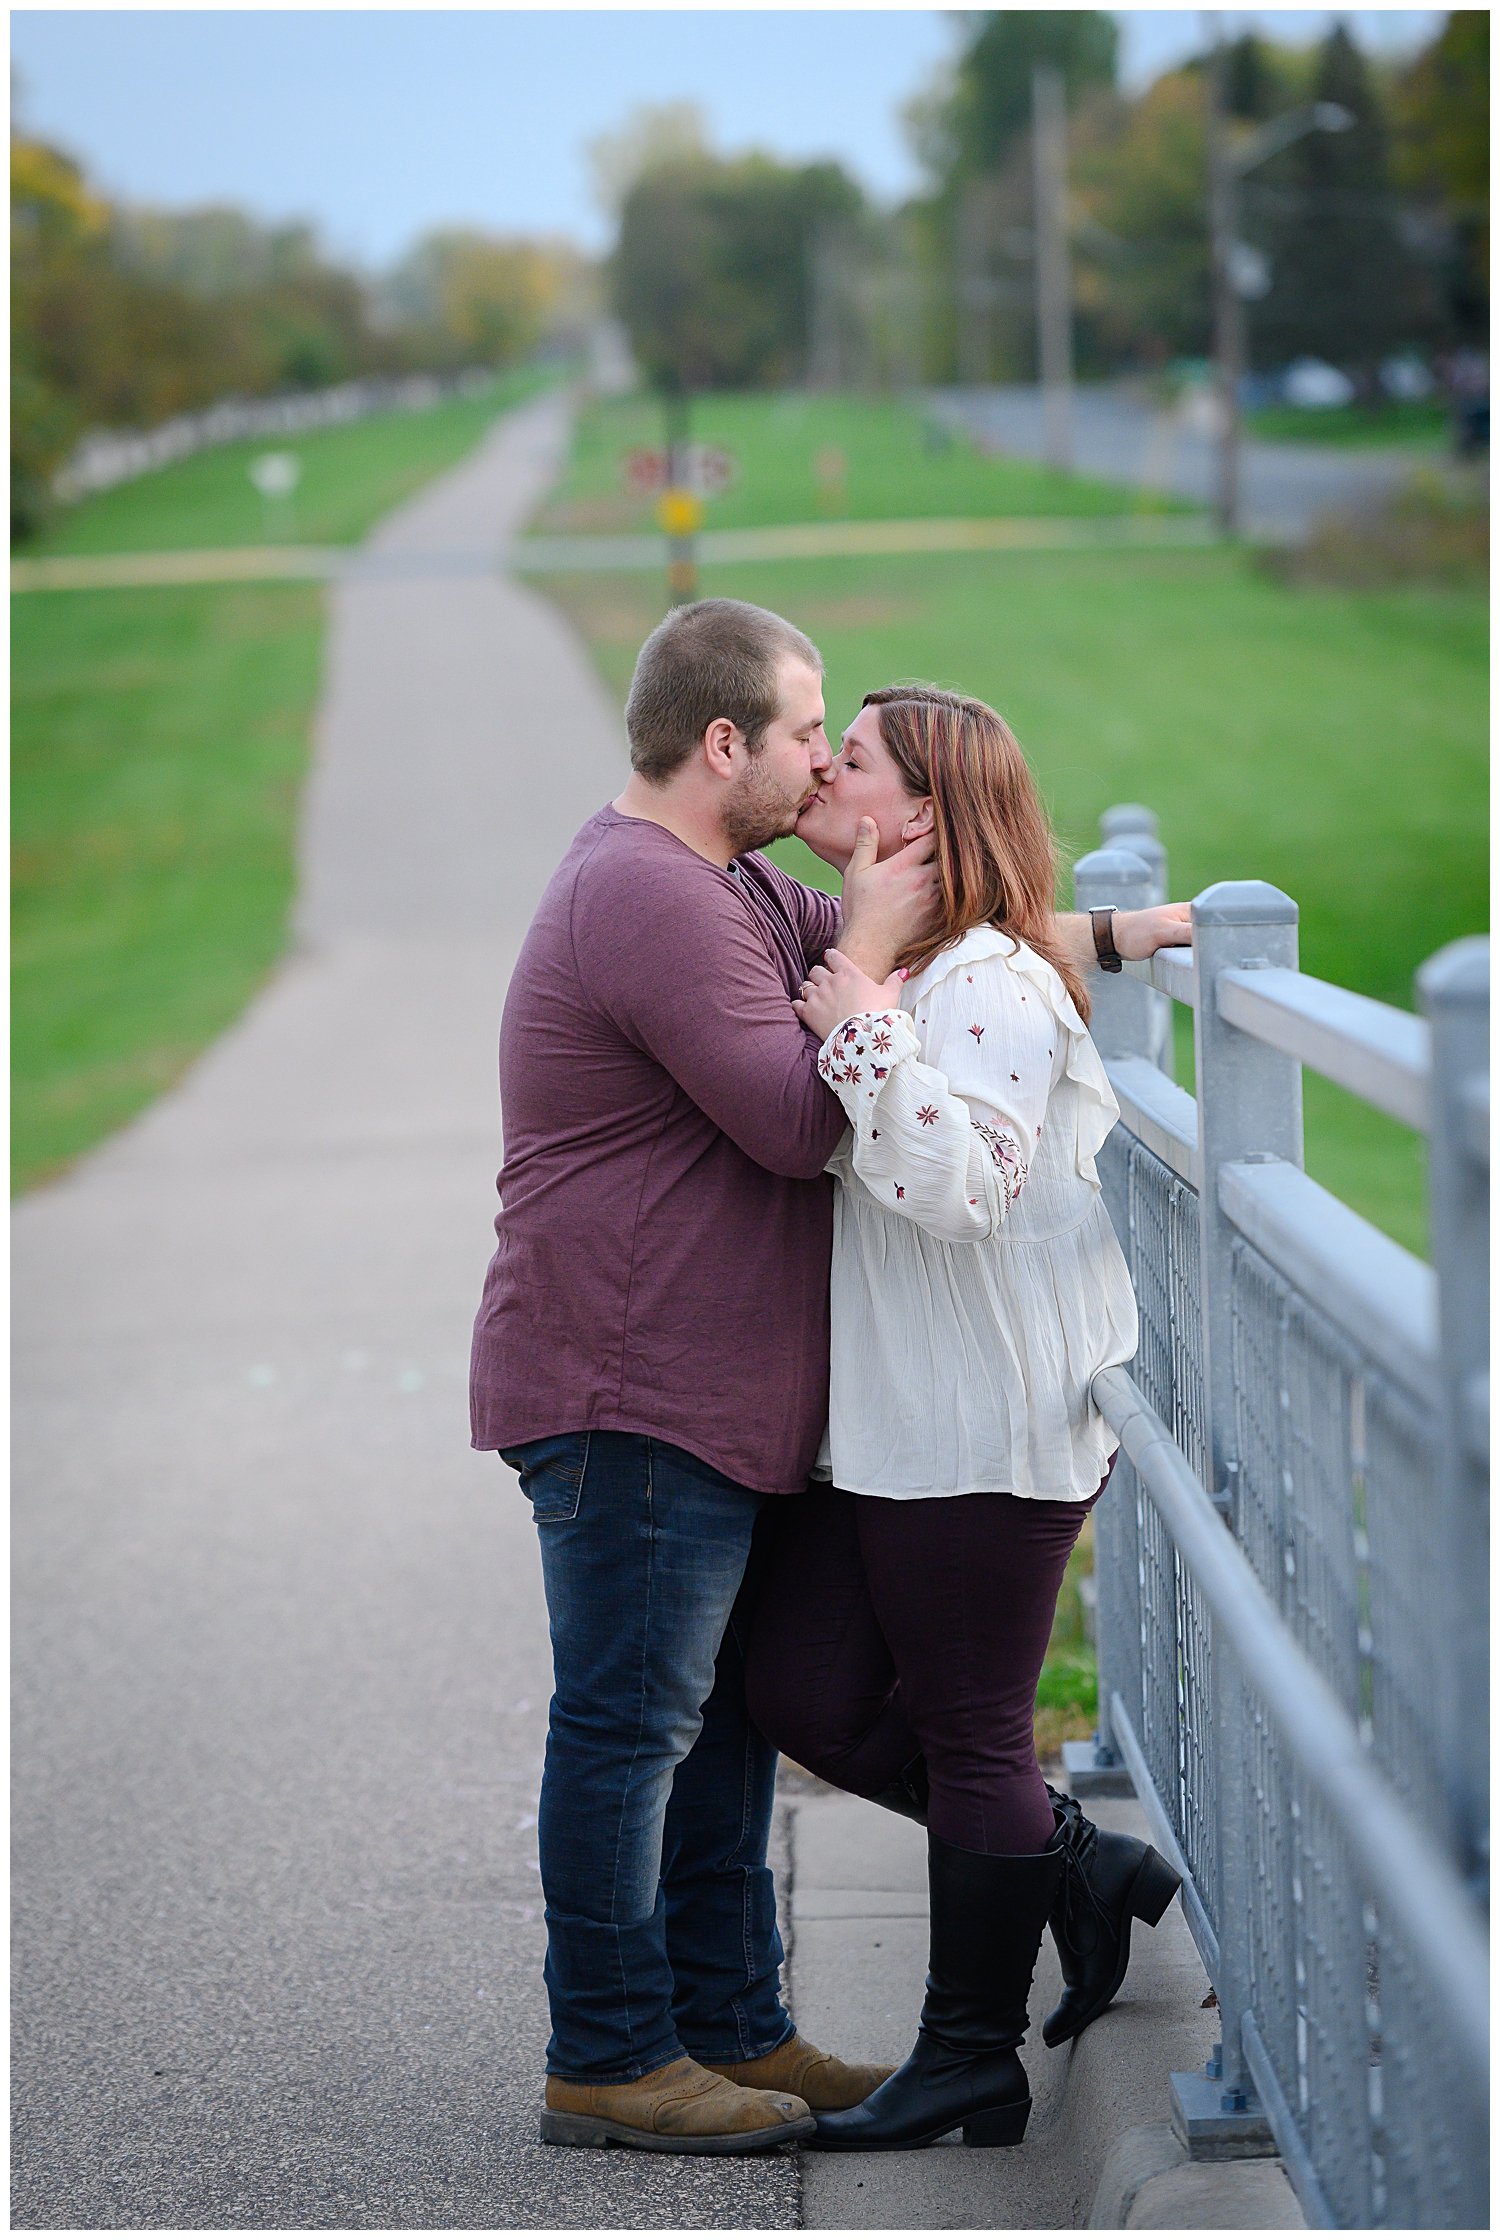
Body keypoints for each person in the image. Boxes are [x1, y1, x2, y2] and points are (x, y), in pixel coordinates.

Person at [469, 601, 1188, 2154]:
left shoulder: (724, 885)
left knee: (722, 1715)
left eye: (834, 750)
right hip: (631, 1381)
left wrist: (1123, 936)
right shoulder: (652, 897)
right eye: (805, 735)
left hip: (717, 1396)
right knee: (631, 1727)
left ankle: (733, 2027)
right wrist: (861, 952)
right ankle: (607, 2053)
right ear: (721, 743)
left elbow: (943, 944)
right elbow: (807, 1117)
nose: (814, 770)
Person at [742, 684, 1181, 2153]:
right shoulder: (924, 955)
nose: (822, 766)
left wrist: (861, 1038)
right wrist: (1115, 936)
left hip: (988, 1422)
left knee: (976, 1732)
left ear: (916, 814)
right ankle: (1073, 1866)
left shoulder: (974, 980)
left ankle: (966, 2062)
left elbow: (972, 1190)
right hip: (898, 1423)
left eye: (849, 757)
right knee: (799, 1687)